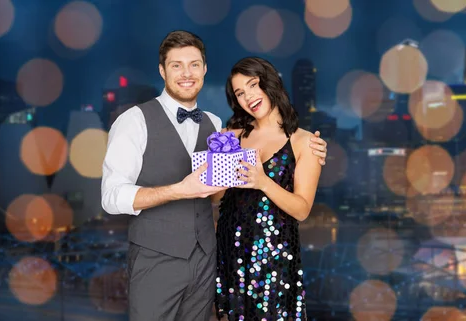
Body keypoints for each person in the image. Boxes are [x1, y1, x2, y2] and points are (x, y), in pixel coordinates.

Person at [101, 30, 328, 321]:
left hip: (245, 260)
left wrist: (266, 177)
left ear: (204, 69)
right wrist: (185, 188)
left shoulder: (218, 126)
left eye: (194, 64)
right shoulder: (143, 122)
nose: (187, 73)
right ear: (162, 70)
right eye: (176, 65)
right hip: (191, 257)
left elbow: (297, 207)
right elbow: (112, 197)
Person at [212, 57, 322, 320]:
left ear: (270, 83)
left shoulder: (303, 141)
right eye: (240, 92)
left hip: (275, 261)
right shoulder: (230, 135)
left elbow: (302, 209)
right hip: (231, 254)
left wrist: (262, 182)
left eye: (253, 85)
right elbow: (216, 198)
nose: (248, 96)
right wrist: (217, 167)